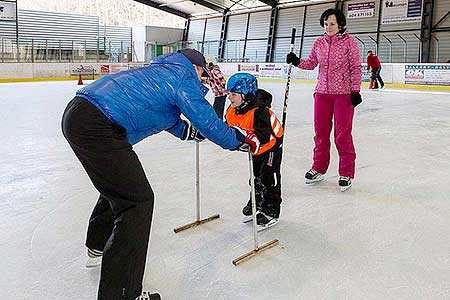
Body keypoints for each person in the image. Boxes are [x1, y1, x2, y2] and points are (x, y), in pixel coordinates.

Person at [61, 48, 260, 300]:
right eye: (202, 73)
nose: (203, 79)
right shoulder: (182, 77)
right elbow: (206, 119)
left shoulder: (161, 71)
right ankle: (122, 294)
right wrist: (235, 140)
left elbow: (165, 115)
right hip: (98, 125)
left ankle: (97, 246)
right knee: (137, 201)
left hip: (79, 114)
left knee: (120, 187)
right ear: (195, 67)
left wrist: (187, 133)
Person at [286, 8, 362, 192]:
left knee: (342, 135)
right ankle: (319, 167)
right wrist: (296, 61)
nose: (328, 27)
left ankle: (346, 172)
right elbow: (311, 64)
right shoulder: (319, 43)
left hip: (343, 95)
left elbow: (356, 68)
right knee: (320, 133)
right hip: (321, 93)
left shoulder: (350, 43)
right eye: (326, 24)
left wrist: (355, 91)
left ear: (340, 24)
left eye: (332, 24)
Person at [224, 73, 284, 231]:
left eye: (234, 94)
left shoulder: (260, 111)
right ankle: (257, 200)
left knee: (268, 177)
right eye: (229, 94)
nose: (230, 98)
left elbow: (264, 137)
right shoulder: (233, 109)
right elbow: (227, 127)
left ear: (246, 95)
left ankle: (271, 209)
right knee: (255, 176)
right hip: (256, 149)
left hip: (271, 146)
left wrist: (244, 139)